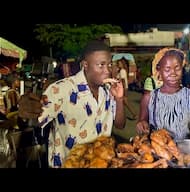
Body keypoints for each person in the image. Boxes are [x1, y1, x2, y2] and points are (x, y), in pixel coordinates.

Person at [18, 40, 126, 168]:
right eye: (101, 65)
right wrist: (25, 112)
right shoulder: (61, 90)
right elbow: (33, 121)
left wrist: (119, 99)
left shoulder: (108, 90)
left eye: (109, 65)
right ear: (85, 64)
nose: (107, 71)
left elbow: (120, 124)